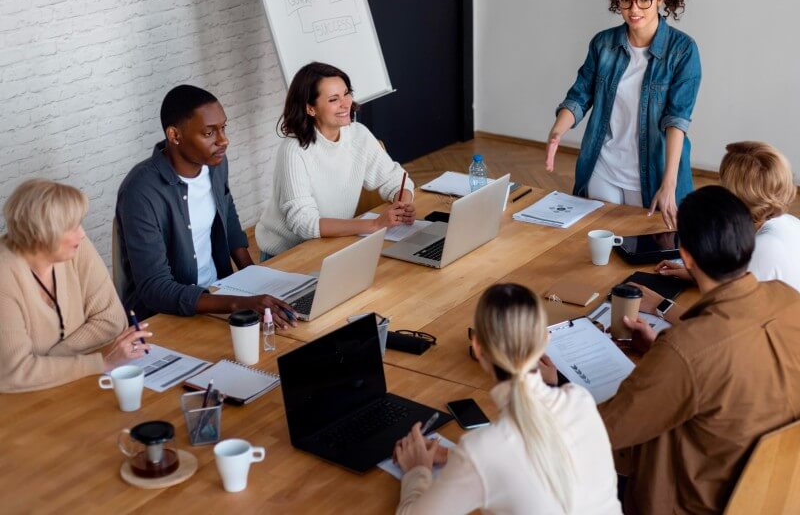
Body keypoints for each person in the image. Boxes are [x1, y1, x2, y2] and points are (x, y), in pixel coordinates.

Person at [599, 186, 800, 514]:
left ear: (686, 256)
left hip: (697, 501)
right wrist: (660, 355)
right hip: (778, 492)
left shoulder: (686, 350)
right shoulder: (789, 299)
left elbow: (604, 432)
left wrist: (549, 385)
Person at [393, 283, 621, 514]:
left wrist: (417, 470)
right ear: (544, 340)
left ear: (478, 348)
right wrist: (454, 458)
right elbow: (533, 456)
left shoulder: (482, 451)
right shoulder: (580, 400)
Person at [546, 0, 701, 229]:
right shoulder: (603, 44)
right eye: (625, 0)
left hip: (654, 174)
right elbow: (580, 96)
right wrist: (557, 131)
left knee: (647, 253)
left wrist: (669, 184)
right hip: (602, 168)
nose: (634, 9)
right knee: (596, 247)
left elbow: (676, 122)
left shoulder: (682, 51)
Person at [116, 85, 295, 327]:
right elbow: (155, 289)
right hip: (168, 316)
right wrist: (240, 303)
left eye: (223, 128)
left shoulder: (215, 164)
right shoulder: (141, 191)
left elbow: (228, 216)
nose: (223, 140)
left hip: (220, 292)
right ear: (175, 136)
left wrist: (256, 280)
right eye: (209, 133)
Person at [0, 180, 152, 392]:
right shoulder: (5, 275)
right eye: (72, 227)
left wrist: (46, 361)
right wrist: (101, 362)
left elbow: (112, 321)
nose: (82, 233)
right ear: (41, 234)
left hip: (69, 386)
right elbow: (14, 373)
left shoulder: (75, 248)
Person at [255, 62, 415, 258]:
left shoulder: (358, 134)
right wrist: (374, 224)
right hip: (288, 255)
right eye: (333, 99)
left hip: (333, 243)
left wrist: (403, 206)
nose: (346, 103)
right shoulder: (294, 150)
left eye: (346, 93)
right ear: (310, 109)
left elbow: (395, 178)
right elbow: (304, 223)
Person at [655, 141, 800, 292]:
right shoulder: (791, 222)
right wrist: (699, 276)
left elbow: (724, 311)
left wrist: (659, 305)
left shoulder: (761, 250)